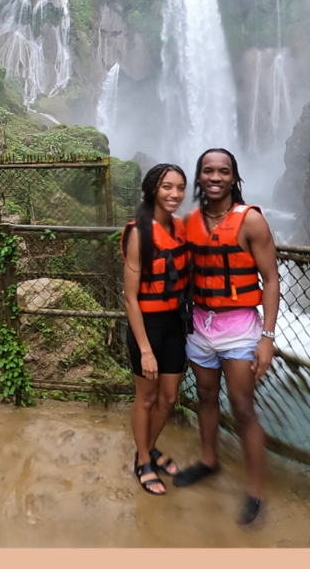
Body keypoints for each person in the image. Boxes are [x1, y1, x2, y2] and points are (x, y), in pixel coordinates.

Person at [172, 148, 279, 525]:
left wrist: (267, 337)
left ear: (234, 178)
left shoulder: (251, 222)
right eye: (208, 171)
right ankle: (208, 460)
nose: (215, 177)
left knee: (243, 406)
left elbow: (271, 279)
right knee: (204, 395)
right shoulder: (189, 222)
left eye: (223, 171)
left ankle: (255, 491)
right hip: (201, 325)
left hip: (239, 329)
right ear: (199, 178)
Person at [121, 163, 190, 496]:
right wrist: (145, 349)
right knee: (146, 398)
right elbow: (130, 298)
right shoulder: (138, 232)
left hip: (175, 323)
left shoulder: (182, 229)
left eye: (180, 187)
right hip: (146, 324)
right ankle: (145, 461)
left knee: (169, 396)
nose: (175, 194)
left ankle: (146, 449)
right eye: (167, 187)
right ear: (152, 190)